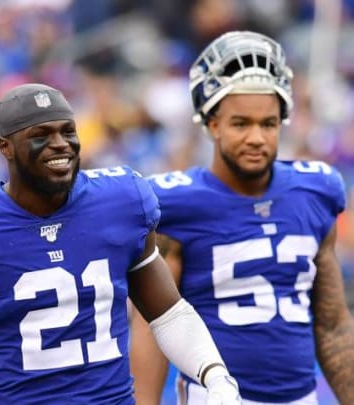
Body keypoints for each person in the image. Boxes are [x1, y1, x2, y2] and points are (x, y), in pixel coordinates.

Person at [0, 83, 242, 404]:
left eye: (67, 131)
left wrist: (215, 376)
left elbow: (169, 314)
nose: (60, 144)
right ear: (5, 146)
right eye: (41, 135)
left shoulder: (121, 202)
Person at [130, 31, 354, 404]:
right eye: (240, 123)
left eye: (268, 124)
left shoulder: (315, 191)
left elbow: (331, 324)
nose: (256, 137)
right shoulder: (175, 202)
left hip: (301, 397)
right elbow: (154, 326)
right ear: (212, 122)